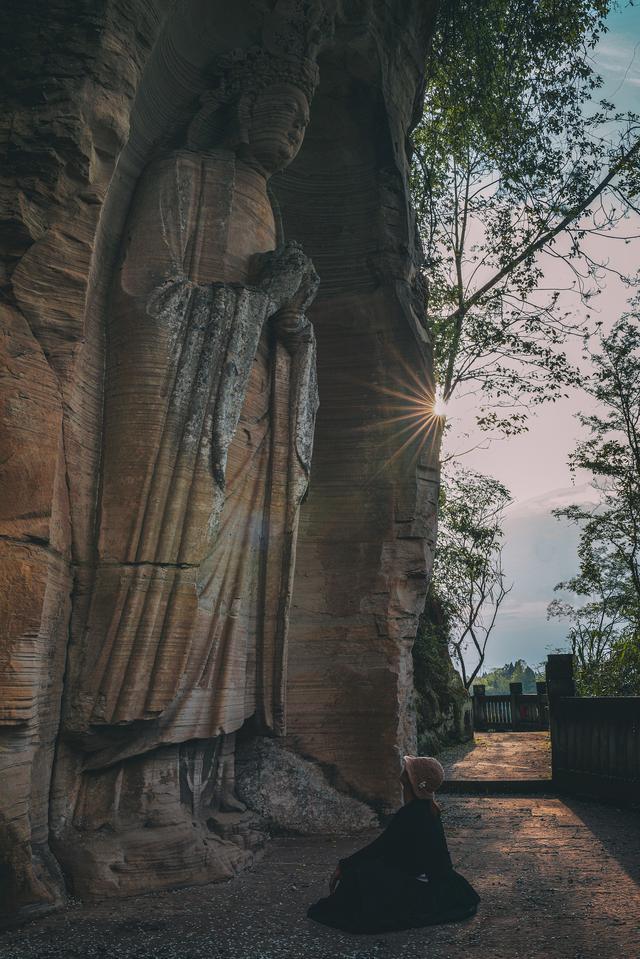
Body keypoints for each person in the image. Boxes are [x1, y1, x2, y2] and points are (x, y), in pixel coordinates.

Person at [306, 755, 480, 934]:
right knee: (366, 870)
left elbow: (379, 847)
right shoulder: (429, 809)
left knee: (358, 878)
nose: (402, 771)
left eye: (407, 771)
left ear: (411, 781)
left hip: (420, 884)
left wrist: (345, 866)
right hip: (425, 876)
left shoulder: (413, 813)